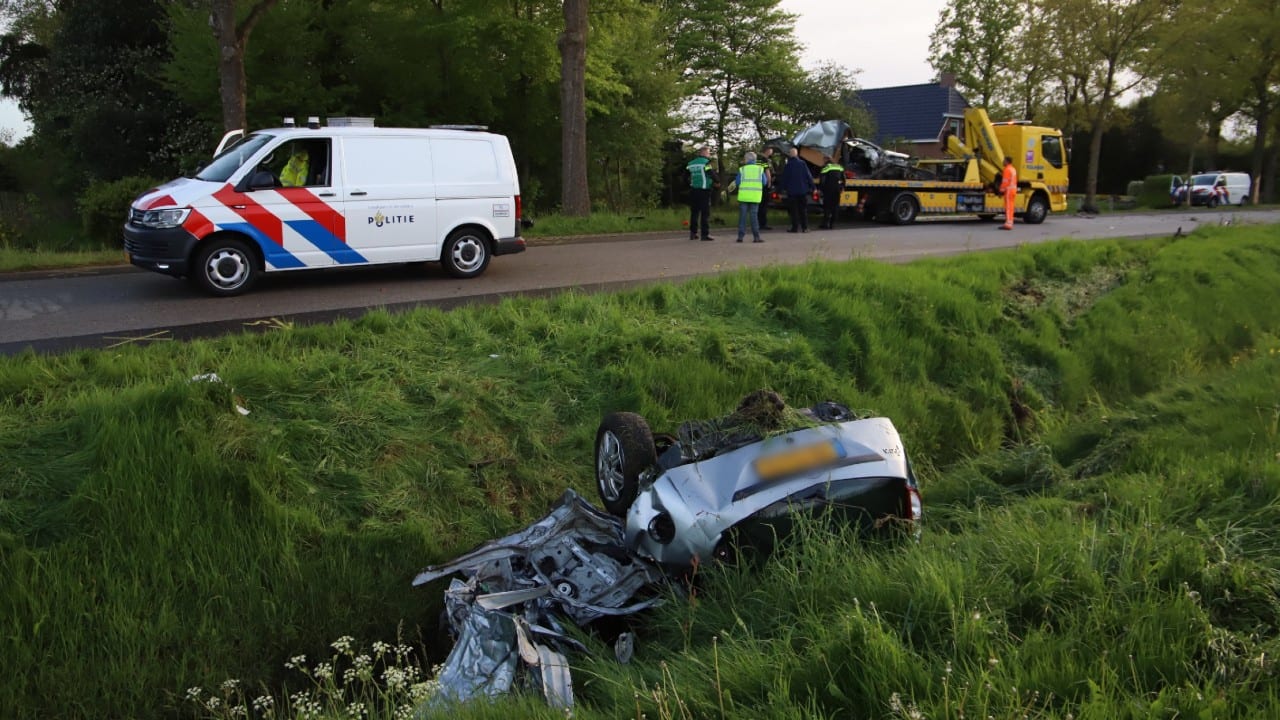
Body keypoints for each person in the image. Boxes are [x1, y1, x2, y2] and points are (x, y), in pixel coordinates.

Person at [733, 151, 766, 243]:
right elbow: (764, 182)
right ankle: (756, 237)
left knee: (742, 217)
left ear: (746, 159)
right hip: (755, 197)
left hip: (743, 197)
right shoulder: (760, 169)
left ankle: (740, 237)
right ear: (755, 159)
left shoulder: (742, 169)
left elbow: (737, 182)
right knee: (754, 217)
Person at [779, 147, 813, 233]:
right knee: (803, 210)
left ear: (790, 155)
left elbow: (784, 179)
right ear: (797, 154)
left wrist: (780, 190)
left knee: (794, 211)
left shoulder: (788, 165)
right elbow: (808, 176)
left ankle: (795, 228)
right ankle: (805, 228)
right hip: (802, 191)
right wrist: (813, 187)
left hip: (792, 192)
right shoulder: (802, 164)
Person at [686, 146, 716, 241]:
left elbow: (685, 176)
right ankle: (704, 234)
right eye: (708, 152)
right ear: (703, 153)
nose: (709, 154)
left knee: (694, 213)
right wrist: (718, 181)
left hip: (693, 190)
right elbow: (711, 173)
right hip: (704, 190)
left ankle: (693, 233)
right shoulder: (706, 163)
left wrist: (691, 184)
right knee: (705, 213)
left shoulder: (691, 164)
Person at [818, 154, 844, 229]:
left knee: (827, 207)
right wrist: (842, 187)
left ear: (826, 160)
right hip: (837, 190)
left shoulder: (826, 167)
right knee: (835, 207)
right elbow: (843, 179)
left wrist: (820, 189)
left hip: (828, 190)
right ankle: (832, 224)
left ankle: (825, 224)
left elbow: (822, 180)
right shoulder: (839, 167)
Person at [756, 147, 775, 230]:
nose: (772, 152)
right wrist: (769, 182)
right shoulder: (764, 159)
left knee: (760, 205)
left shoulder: (757, 159)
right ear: (767, 151)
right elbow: (767, 172)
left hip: (758, 184)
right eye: (771, 150)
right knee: (763, 205)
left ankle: (759, 222)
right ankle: (763, 224)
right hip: (764, 185)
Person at [999, 156, 1017, 230]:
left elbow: (1005, 182)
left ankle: (1008, 224)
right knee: (1011, 207)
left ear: (1007, 161)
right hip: (1013, 190)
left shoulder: (1007, 170)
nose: (1003, 162)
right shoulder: (1013, 169)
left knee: (1008, 207)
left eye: (1004, 160)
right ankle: (1009, 222)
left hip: (1008, 190)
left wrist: (1001, 190)